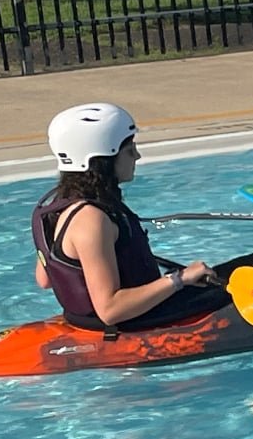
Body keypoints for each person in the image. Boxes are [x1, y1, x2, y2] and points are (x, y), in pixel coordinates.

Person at [31, 103, 221, 329]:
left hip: (82, 321)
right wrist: (178, 279)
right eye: (130, 150)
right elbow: (110, 310)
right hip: (129, 324)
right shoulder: (92, 220)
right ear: (103, 160)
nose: (137, 156)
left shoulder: (61, 204)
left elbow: (45, 279)